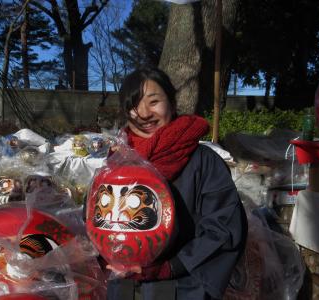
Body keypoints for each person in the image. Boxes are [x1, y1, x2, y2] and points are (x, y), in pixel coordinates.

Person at [105, 67, 248, 300]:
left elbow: (224, 229)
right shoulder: (116, 163)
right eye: (133, 105)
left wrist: (168, 267)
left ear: (171, 102)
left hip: (182, 288)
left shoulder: (202, 161)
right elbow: (95, 219)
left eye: (153, 102)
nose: (143, 113)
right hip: (123, 289)